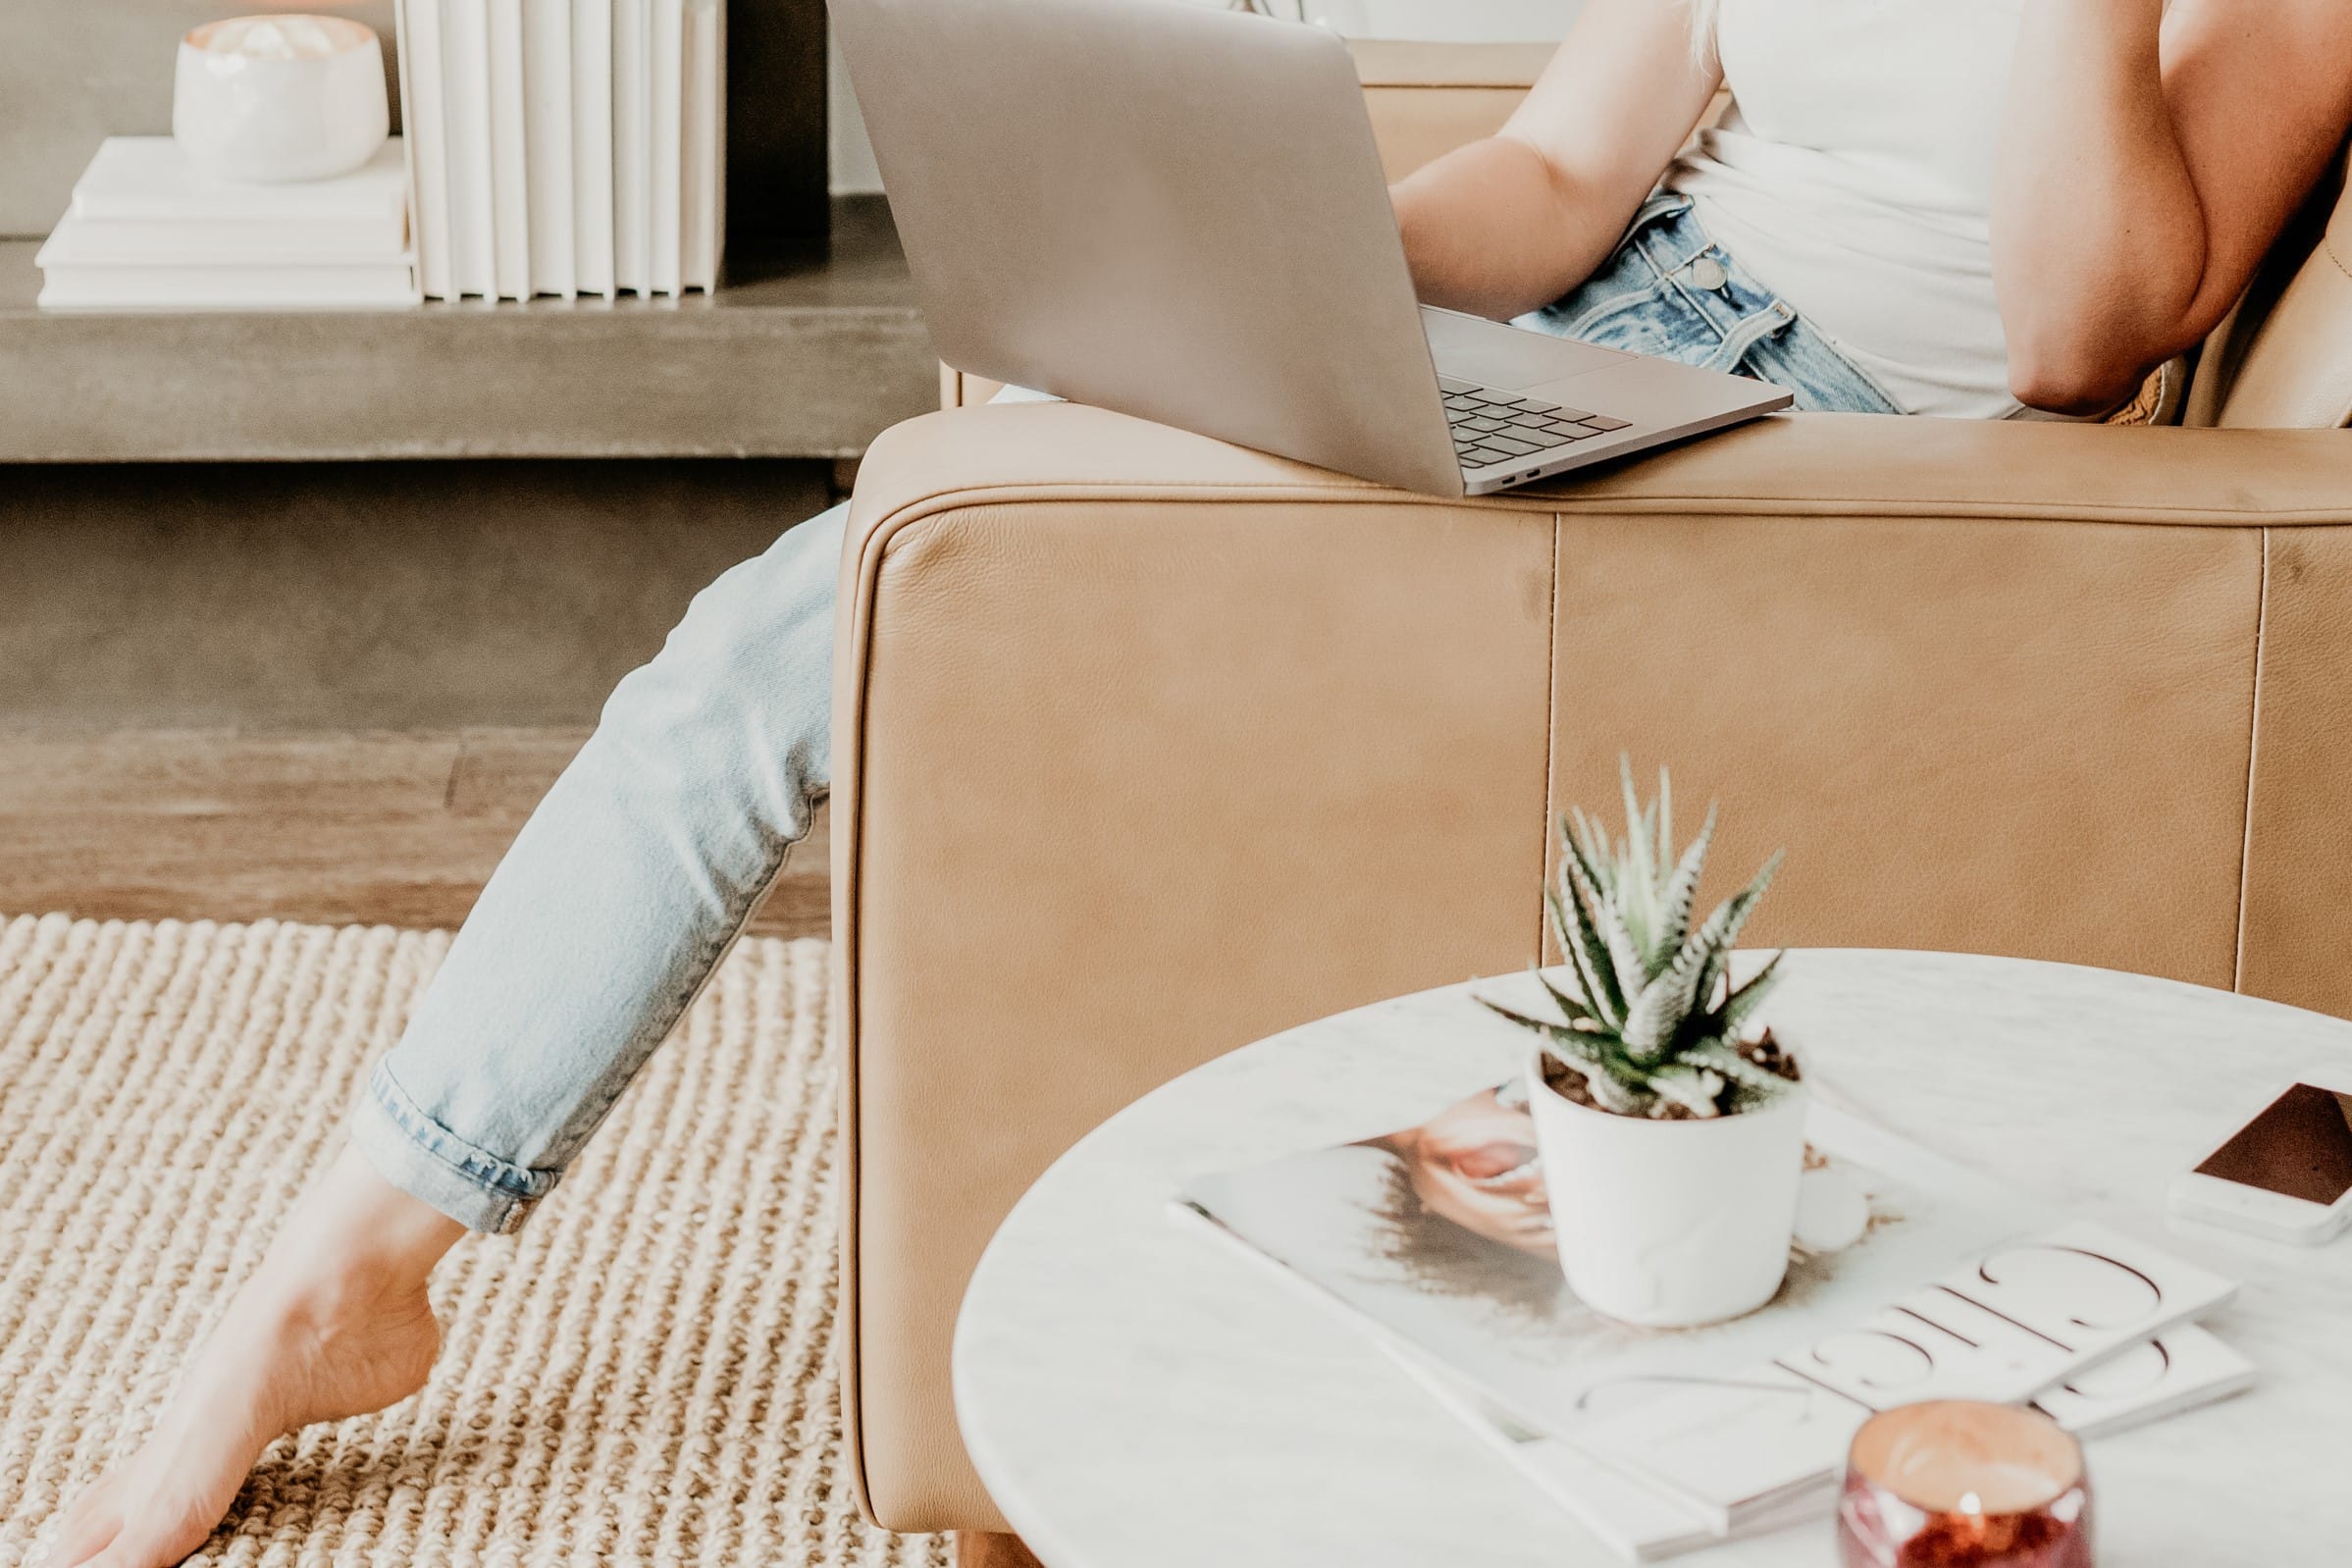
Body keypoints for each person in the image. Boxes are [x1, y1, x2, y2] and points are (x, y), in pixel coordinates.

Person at [52, 1, 2352, 1561]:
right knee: (812, 599)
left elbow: (2081, 331)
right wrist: (1271, 296)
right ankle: (348, 1259)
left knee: (819, 610)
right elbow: (1568, 167)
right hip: (1595, 350)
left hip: (1804, 468)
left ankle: (342, 1276)